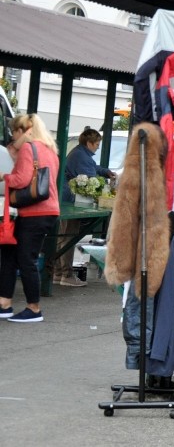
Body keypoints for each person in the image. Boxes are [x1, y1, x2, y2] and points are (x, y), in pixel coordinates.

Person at [0, 114, 61, 323]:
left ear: (22, 130)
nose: (12, 135)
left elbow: (22, 178)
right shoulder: (50, 149)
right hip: (46, 211)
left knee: (27, 260)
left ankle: (34, 308)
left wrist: (4, 176)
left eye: (14, 131)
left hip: (35, 212)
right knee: (10, 253)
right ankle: (4, 302)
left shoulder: (29, 148)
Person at [56, 128, 116, 287]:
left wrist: (105, 171)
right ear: (89, 143)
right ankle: (66, 275)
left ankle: (57, 272)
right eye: (96, 144)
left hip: (65, 197)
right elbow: (91, 178)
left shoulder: (80, 153)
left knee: (62, 236)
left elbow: (94, 167)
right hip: (70, 200)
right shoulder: (81, 156)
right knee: (68, 236)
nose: (97, 147)